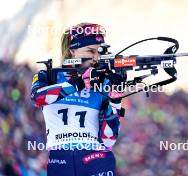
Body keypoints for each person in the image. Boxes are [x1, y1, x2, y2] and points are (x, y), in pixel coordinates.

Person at [30, 23, 124, 176]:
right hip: (60, 159)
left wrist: (115, 101)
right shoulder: (48, 75)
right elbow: (38, 98)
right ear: (72, 51)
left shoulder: (103, 83)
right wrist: (79, 82)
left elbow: (108, 140)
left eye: (99, 52)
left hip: (96, 158)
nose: (96, 57)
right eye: (90, 51)